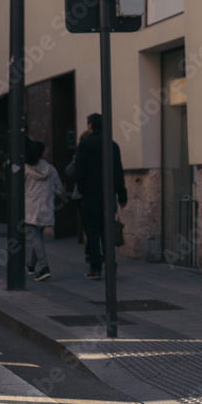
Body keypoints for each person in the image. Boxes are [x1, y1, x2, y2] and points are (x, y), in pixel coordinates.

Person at [73, 113, 128, 280]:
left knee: (93, 232)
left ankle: (95, 268)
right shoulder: (112, 145)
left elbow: (79, 170)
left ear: (90, 126)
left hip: (90, 195)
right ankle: (111, 267)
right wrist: (122, 194)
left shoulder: (85, 144)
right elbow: (118, 171)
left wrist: (82, 189)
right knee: (107, 232)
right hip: (108, 195)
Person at [25, 139, 64, 282]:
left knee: (35, 236)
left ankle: (44, 267)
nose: (46, 152)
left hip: (30, 205)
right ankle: (30, 265)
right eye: (45, 150)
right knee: (38, 235)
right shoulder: (51, 169)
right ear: (41, 153)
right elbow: (59, 189)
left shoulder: (25, 169)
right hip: (45, 206)